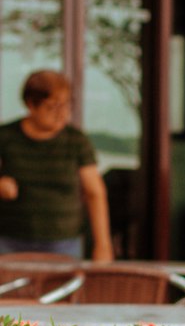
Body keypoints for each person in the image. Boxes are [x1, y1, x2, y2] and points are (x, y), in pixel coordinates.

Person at [0, 70, 113, 260]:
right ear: (31, 105)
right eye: (52, 107)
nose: (62, 114)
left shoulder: (76, 140)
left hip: (63, 242)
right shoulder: (5, 137)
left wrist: (103, 245)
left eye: (66, 105)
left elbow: (95, 193)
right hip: (9, 240)